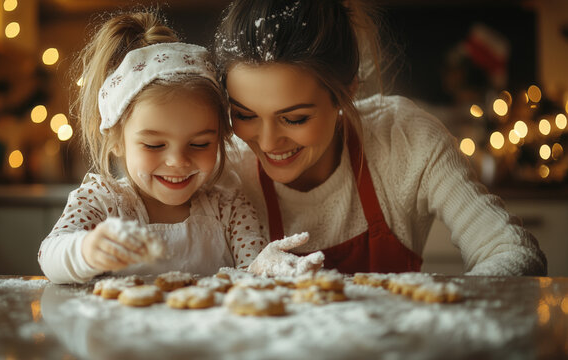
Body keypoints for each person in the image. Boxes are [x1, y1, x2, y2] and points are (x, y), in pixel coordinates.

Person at [212, 0, 547, 276]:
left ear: (346, 93)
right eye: (244, 115)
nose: (268, 142)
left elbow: (513, 250)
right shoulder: (227, 169)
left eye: (294, 118)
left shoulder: (404, 140)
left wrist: (441, 314)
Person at [38, 10, 323, 284]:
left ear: (222, 137)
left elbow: (251, 271)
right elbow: (48, 255)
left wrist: (264, 265)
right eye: (154, 145)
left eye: (199, 144)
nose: (177, 161)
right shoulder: (101, 202)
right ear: (115, 139)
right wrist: (86, 250)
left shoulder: (229, 208)